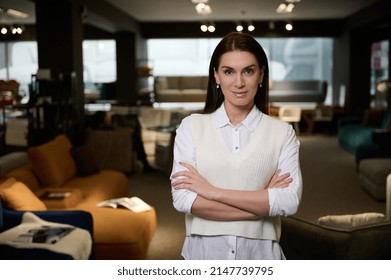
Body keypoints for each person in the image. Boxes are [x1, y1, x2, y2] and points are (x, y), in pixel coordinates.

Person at [170, 32, 302, 260]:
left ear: (261, 74)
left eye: (248, 71)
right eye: (229, 71)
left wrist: (211, 192)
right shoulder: (190, 127)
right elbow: (183, 199)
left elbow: (288, 202)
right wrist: (262, 202)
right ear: (216, 76)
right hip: (203, 257)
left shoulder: (282, 133)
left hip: (261, 258)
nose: (239, 82)